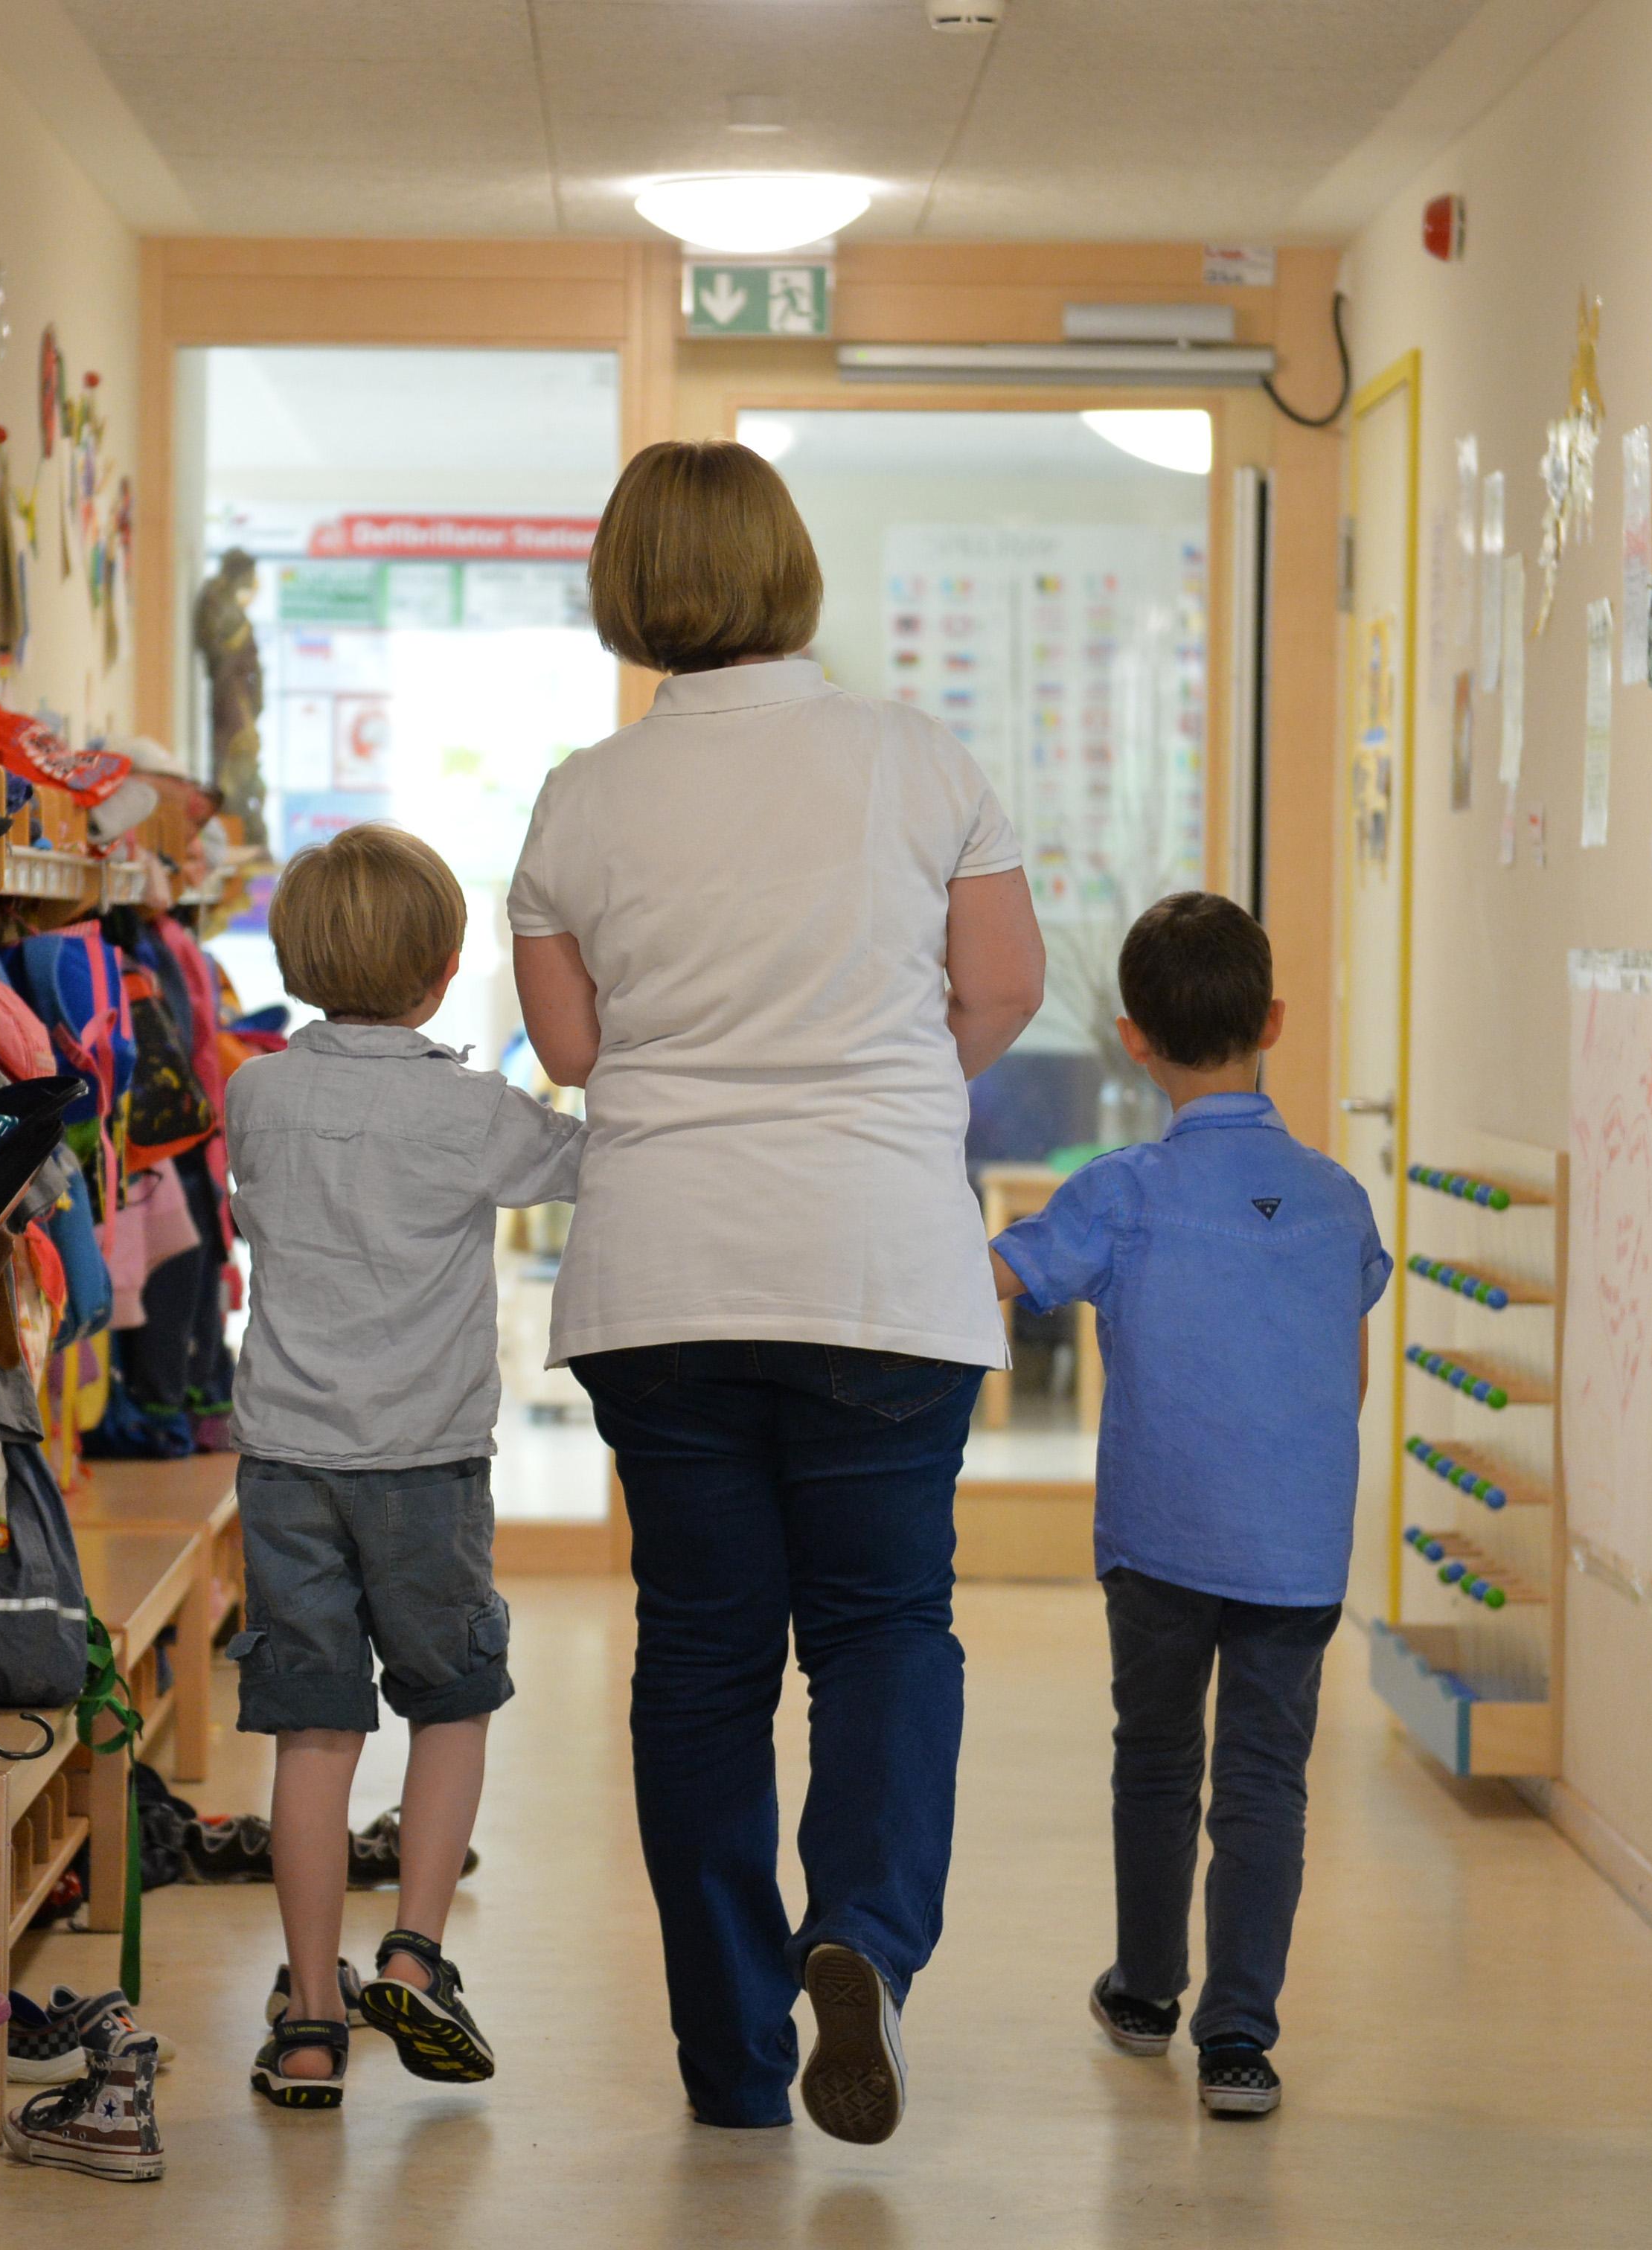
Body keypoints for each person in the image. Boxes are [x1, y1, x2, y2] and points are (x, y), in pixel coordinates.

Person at [509, 439, 1047, 2143]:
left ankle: (735, 2060)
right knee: (886, 1631)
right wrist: (881, 1085)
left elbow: (576, 1051)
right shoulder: (916, 760)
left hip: (663, 1278)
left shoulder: (581, 797)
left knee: (703, 1661)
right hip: (878, 1266)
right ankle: (864, 1942)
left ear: (628, 585)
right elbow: (1001, 989)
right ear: (789, 568)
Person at [987, 891, 1386, 2121]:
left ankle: (1149, 1990)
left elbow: (992, 1281)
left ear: (1132, 1039)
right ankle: (1239, 2042)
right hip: (1298, 1545)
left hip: (1160, 1540)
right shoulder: (1336, 1201)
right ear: (1272, 1019)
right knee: (1269, 1777)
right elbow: (1350, 1368)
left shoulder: (1121, 1193)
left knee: (1157, 1758)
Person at [221, 821, 585, 2110]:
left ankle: (310, 2020)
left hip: (285, 1465)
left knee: (311, 1737)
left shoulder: (254, 1095)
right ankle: (417, 1958)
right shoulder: (471, 1110)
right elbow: (588, 1165)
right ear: (444, 970)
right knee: (450, 1701)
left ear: (296, 956)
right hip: (426, 1466)